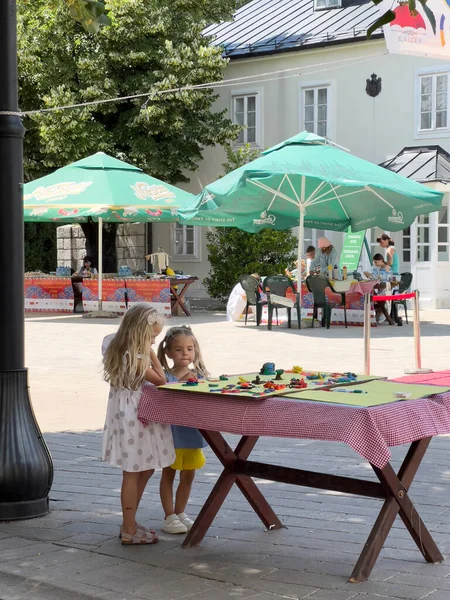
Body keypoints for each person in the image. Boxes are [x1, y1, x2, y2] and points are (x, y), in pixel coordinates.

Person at [102, 304, 176, 545]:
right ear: (140, 334)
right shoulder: (136, 355)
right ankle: (129, 530)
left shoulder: (112, 343)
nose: (154, 341)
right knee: (133, 471)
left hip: (123, 412)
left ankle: (129, 521)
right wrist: (152, 354)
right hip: (135, 415)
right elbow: (162, 380)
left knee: (143, 468)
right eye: (152, 336)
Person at [157, 326, 209, 534]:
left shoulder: (201, 376)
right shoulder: (163, 376)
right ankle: (169, 515)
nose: (185, 353)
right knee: (168, 474)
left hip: (192, 434)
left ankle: (180, 512)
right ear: (168, 352)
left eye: (189, 348)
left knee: (188, 476)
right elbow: (162, 399)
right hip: (171, 435)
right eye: (178, 349)